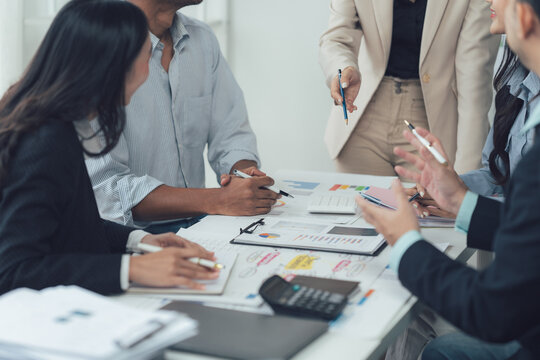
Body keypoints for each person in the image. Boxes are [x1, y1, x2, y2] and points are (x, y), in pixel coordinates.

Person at [357, 0, 540, 357]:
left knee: (428, 340)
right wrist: (459, 199)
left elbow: (493, 311)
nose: (490, 1)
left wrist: (407, 242)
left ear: (524, 16)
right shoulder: (516, 85)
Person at [0, 0, 219, 295]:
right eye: (144, 57)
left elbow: (69, 226)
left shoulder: (57, 122)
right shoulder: (45, 140)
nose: (149, 68)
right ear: (112, 66)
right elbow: (13, 271)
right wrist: (132, 269)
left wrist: (139, 241)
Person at [85, 0, 279, 233]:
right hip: (127, 239)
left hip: (201, 225)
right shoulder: (98, 45)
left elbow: (230, 134)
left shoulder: (203, 39)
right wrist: (218, 199)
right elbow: (108, 190)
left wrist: (242, 175)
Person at [319, 0, 500, 178]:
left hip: (432, 125)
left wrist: (467, 177)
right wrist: (344, 67)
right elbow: (337, 38)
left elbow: (474, 82)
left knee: (428, 205)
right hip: (364, 120)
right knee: (358, 207)